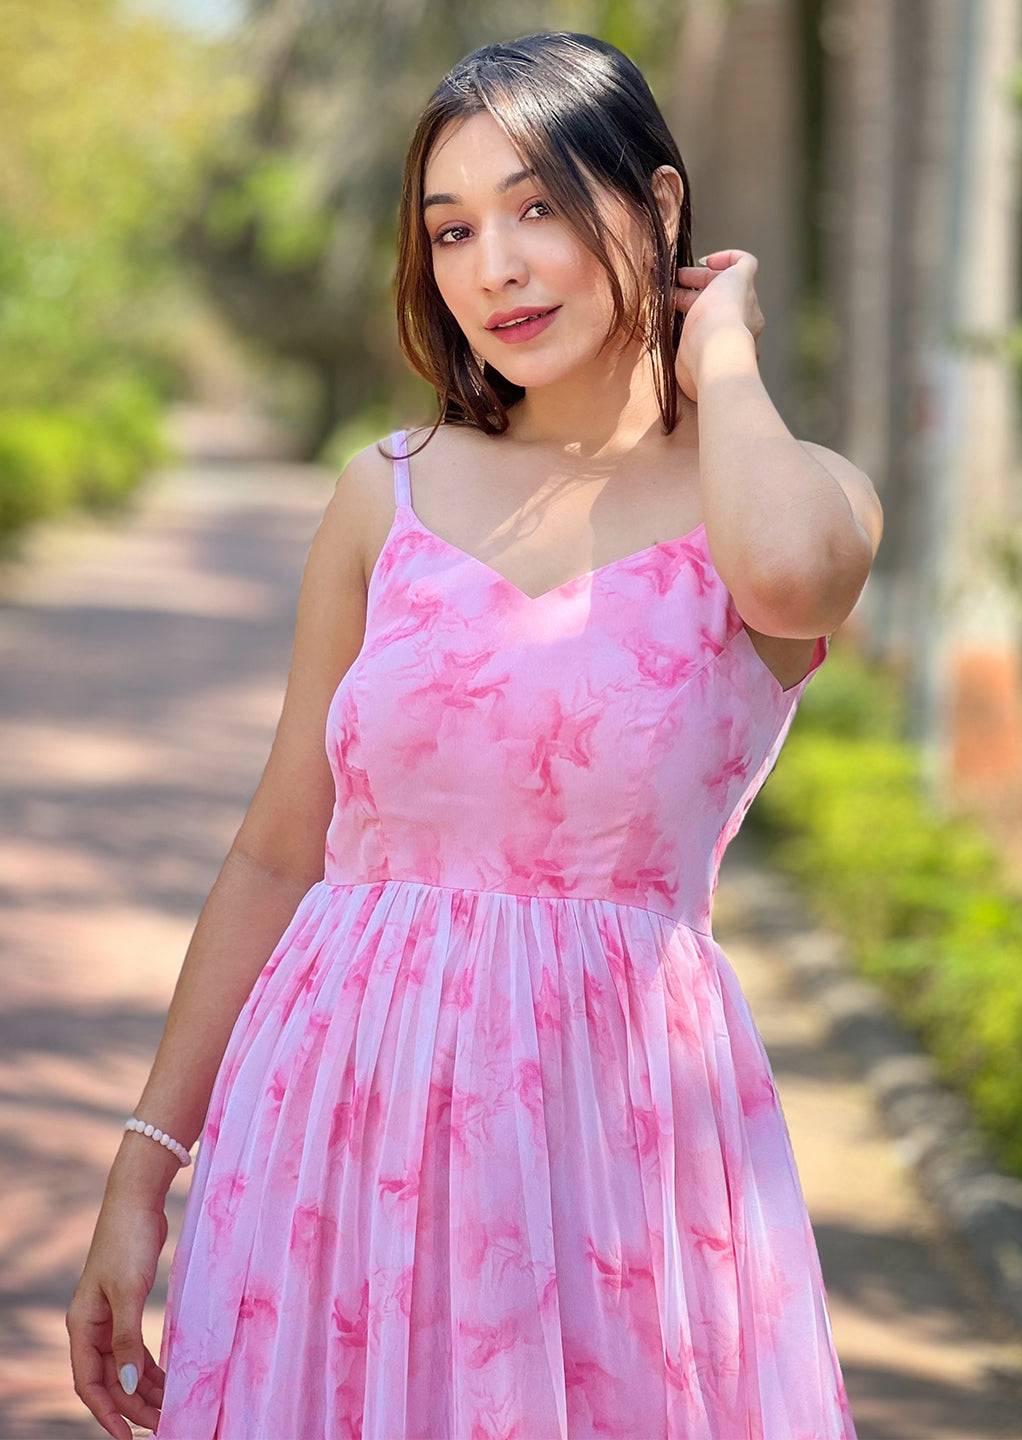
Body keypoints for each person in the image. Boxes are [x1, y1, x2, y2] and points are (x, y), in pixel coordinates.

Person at [67, 29, 882, 1440]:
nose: (492, 265)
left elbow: (798, 585)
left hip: (613, 1160)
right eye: (452, 229)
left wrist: (727, 354)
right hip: (331, 1135)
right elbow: (276, 851)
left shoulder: (783, 500)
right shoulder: (383, 496)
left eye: (540, 207)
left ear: (660, 204)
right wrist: (144, 1171)